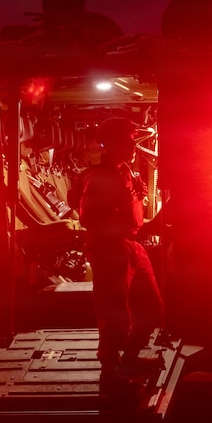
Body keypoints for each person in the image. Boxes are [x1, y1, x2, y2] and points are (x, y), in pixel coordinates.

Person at [75, 117, 163, 398]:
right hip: (109, 247)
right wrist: (115, 208)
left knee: (152, 305)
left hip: (131, 244)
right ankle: (111, 372)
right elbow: (88, 217)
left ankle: (130, 359)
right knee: (114, 313)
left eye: (133, 140)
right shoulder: (98, 176)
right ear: (109, 144)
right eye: (126, 140)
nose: (132, 145)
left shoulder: (125, 171)